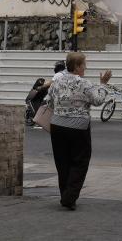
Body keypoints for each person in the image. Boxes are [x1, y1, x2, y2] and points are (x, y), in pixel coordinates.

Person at [47, 52, 112, 210]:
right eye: (84, 64)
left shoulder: (56, 81)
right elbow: (97, 100)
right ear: (76, 67)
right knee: (80, 162)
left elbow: (49, 102)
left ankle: (66, 195)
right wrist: (103, 84)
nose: (86, 67)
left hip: (57, 126)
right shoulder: (85, 83)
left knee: (62, 162)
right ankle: (69, 197)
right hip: (78, 127)